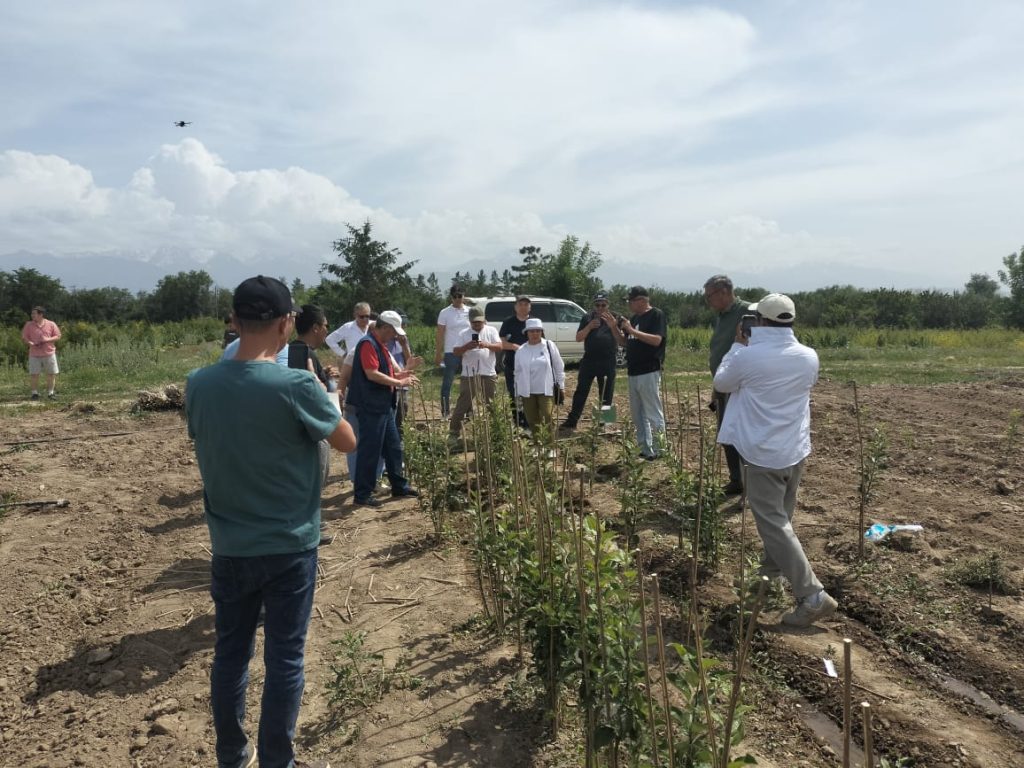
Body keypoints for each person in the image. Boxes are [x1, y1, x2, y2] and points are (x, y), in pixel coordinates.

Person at [185, 276, 356, 768]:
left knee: (230, 654)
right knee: (285, 658)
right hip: (289, 544)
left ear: (235, 321)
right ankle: (277, 760)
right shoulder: (296, 385)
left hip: (229, 544)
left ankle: (232, 755)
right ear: (286, 324)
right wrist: (326, 396)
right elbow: (346, 441)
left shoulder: (199, 384)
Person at [713, 293, 838, 628]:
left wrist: (737, 345)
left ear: (760, 322)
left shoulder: (748, 356)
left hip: (762, 454)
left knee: (773, 525)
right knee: (781, 523)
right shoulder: (809, 356)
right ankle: (767, 582)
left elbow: (721, 382)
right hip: (794, 450)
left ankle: (812, 596)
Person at [347, 310, 420, 507]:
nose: (395, 336)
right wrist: (399, 382)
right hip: (370, 406)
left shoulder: (381, 346)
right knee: (370, 450)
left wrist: (402, 375)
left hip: (384, 405)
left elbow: (386, 372)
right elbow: (371, 373)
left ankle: (399, 486)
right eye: (393, 331)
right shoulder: (367, 344)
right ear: (385, 327)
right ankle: (362, 494)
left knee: (393, 447)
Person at [704, 275, 750, 495]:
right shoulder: (722, 316)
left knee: (741, 434)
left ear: (723, 292)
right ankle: (736, 479)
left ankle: (750, 481)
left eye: (709, 296)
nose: (708, 301)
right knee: (726, 433)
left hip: (740, 386)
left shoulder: (747, 312)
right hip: (724, 383)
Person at [288, 305, 341, 491]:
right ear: (315, 328)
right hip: (313, 432)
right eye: (326, 325)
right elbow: (317, 395)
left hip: (294, 432)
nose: (327, 330)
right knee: (313, 486)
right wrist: (333, 390)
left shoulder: (290, 351)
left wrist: (323, 373)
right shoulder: (307, 353)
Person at [559, 292, 625, 433]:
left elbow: (622, 341)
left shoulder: (616, 317)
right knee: (581, 391)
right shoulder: (587, 318)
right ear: (594, 305)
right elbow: (578, 338)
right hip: (589, 360)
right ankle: (572, 421)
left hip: (608, 361)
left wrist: (613, 326)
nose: (600, 308)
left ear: (608, 304)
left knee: (606, 393)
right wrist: (589, 327)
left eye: (603, 305)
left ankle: (604, 424)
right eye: (597, 305)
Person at [620, 286, 667, 460]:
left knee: (653, 412)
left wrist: (631, 330)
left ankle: (661, 450)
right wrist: (614, 328)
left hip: (649, 369)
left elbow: (656, 340)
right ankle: (645, 449)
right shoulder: (634, 318)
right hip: (633, 371)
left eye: (631, 301)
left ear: (641, 300)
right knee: (638, 414)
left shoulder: (656, 315)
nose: (629, 304)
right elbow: (625, 342)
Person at [449, 306, 503, 442]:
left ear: (484, 320)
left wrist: (486, 345)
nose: (477, 324)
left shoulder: (491, 330)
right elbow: (455, 352)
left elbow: (499, 347)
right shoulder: (463, 333)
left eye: (479, 321)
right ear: (470, 321)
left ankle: (497, 431)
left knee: (492, 404)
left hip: (488, 373)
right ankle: (453, 432)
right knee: (463, 404)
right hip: (469, 374)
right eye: (474, 322)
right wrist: (467, 346)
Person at [514, 318, 565, 438]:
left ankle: (550, 444)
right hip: (527, 392)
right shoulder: (521, 350)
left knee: (547, 416)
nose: (535, 334)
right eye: (532, 331)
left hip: (546, 390)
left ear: (542, 332)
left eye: (538, 331)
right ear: (527, 333)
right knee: (532, 419)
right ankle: (538, 443)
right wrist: (517, 392)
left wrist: (561, 385)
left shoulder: (549, 346)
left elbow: (558, 366)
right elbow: (517, 373)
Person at [434, 286, 470, 418]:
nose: (458, 299)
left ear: (464, 296)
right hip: (451, 351)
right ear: (451, 297)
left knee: (468, 382)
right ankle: (445, 411)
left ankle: (468, 411)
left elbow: (476, 329)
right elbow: (440, 334)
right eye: (455, 296)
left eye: (460, 296)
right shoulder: (445, 313)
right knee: (447, 382)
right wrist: (438, 353)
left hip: (467, 351)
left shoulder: (470, 311)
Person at [324, 302, 373, 397]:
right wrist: (343, 353)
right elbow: (329, 339)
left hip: (371, 365)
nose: (365, 319)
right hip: (354, 367)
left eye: (367, 316)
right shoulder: (348, 327)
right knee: (356, 394)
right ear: (355, 315)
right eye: (361, 317)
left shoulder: (373, 326)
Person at [499, 295, 532, 427]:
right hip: (512, 365)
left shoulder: (534, 322)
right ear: (515, 307)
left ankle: (529, 422)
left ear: (530, 307)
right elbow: (501, 342)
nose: (523, 307)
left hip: (531, 366)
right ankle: (517, 422)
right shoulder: (508, 322)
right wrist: (515, 347)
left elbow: (541, 342)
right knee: (514, 394)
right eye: (520, 304)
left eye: (526, 304)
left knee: (529, 394)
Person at [22, 306, 62, 401]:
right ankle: (34, 393)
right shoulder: (29, 325)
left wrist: (47, 339)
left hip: (49, 353)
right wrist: (30, 343)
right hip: (34, 354)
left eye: (34, 313)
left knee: (51, 374)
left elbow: (58, 336)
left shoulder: (51, 324)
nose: (32, 315)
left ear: (41, 314)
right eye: (32, 313)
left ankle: (50, 393)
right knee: (34, 374)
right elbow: (24, 337)